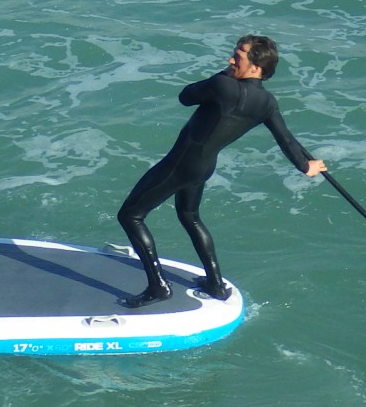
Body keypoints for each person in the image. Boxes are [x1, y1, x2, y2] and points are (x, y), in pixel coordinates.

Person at [116, 35, 327, 308]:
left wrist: (223, 74)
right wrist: (306, 165)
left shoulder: (222, 85)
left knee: (130, 216)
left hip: (180, 163)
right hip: (203, 167)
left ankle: (158, 287)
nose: (230, 60)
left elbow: (185, 96)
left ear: (256, 67)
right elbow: (286, 139)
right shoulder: (267, 103)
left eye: (238, 57)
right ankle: (215, 284)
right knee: (190, 217)